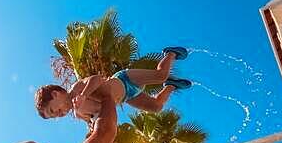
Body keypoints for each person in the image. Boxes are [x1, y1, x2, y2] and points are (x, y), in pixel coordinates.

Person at [35, 47, 192, 120]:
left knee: (160, 75)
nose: (57, 115)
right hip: (127, 97)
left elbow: (96, 79)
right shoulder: (78, 113)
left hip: (125, 79)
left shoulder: (76, 89)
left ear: (56, 94)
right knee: (156, 107)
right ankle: (171, 85)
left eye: (52, 110)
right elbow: (95, 118)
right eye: (53, 117)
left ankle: (170, 53)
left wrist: (84, 95)